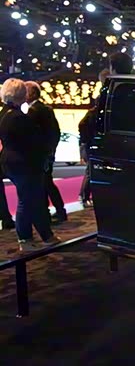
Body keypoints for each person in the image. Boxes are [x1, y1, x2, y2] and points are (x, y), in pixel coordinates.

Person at [0, 78, 60, 252]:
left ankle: (46, 236)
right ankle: (25, 239)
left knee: (33, 199)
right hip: (24, 162)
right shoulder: (19, 117)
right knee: (27, 201)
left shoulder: (4, 114)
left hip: (11, 161)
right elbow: (34, 141)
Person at [25, 81, 67, 223]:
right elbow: (56, 132)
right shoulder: (44, 109)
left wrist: (48, 152)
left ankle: (52, 213)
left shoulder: (36, 110)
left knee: (45, 184)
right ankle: (58, 211)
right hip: (46, 153)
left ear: (32, 93)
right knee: (47, 183)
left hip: (41, 155)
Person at [78, 68, 109, 206]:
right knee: (91, 170)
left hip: (92, 142)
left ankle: (85, 196)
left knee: (92, 170)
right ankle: (84, 196)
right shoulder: (95, 112)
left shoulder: (93, 112)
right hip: (94, 143)